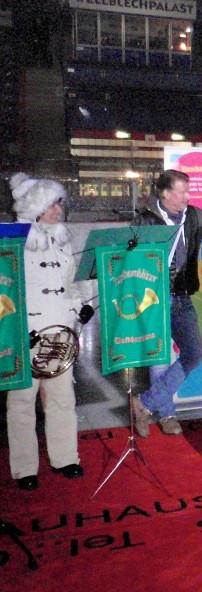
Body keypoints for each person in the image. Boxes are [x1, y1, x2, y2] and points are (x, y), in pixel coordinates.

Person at [6, 174, 91, 491]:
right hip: (26, 332)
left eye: (58, 202)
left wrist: (79, 306)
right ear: (36, 205)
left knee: (61, 399)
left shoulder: (63, 237)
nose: (59, 208)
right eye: (53, 202)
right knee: (21, 403)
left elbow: (70, 283)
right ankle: (25, 468)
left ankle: (66, 458)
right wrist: (15, 330)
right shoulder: (12, 241)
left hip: (60, 331)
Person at [130, 169, 202, 438]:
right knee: (160, 359)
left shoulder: (193, 215)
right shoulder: (145, 220)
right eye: (182, 191)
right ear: (165, 193)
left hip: (182, 297)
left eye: (188, 190)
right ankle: (167, 414)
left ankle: (145, 403)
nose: (187, 196)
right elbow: (133, 260)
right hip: (155, 299)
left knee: (194, 354)